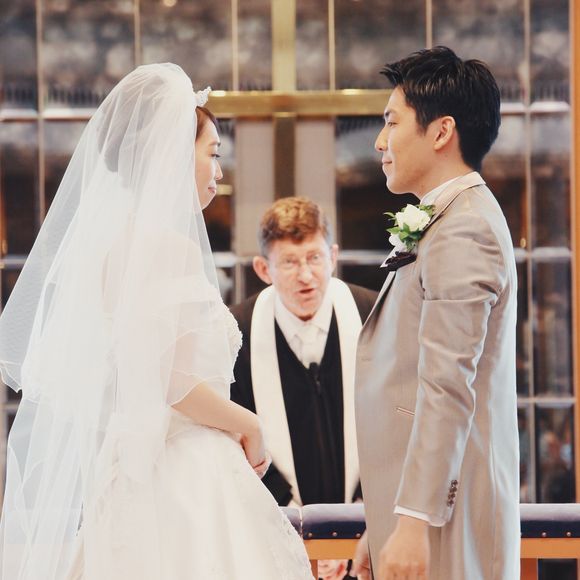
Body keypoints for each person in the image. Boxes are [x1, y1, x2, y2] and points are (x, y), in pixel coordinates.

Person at [0, 63, 313, 580]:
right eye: (213, 154)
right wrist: (249, 425)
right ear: (172, 152)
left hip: (137, 467)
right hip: (184, 471)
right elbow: (172, 382)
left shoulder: (116, 248)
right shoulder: (165, 248)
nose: (219, 172)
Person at [352, 47, 520, 580]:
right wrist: (387, 520)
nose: (380, 142)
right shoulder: (449, 219)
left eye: (392, 122)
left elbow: (447, 385)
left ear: (442, 131)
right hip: (427, 511)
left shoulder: (465, 228)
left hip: (450, 521)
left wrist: (414, 522)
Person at [230, 197, 376, 509]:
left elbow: (398, 415)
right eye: (289, 262)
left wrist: (369, 503)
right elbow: (234, 437)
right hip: (276, 517)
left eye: (314, 258)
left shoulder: (374, 315)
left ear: (333, 257)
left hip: (371, 514)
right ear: (263, 269)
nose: (306, 275)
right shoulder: (236, 333)